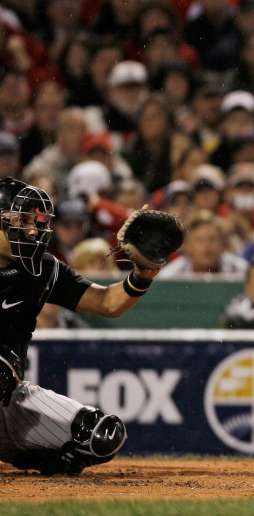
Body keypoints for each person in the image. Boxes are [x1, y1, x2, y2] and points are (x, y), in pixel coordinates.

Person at [0, 177, 162, 475]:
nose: (33, 229)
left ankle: (36, 461)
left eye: (33, 220)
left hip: (9, 400)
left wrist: (142, 275)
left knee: (104, 434)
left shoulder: (42, 269)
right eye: (21, 220)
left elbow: (106, 304)